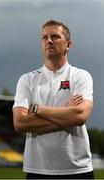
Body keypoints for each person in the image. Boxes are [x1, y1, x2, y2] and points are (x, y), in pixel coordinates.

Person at [12, 20, 94, 179]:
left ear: (68, 45)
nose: (48, 41)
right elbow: (20, 123)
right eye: (44, 37)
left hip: (77, 169)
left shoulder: (80, 76)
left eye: (55, 36)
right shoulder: (27, 80)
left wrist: (38, 110)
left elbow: (80, 116)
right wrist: (67, 115)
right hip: (37, 170)